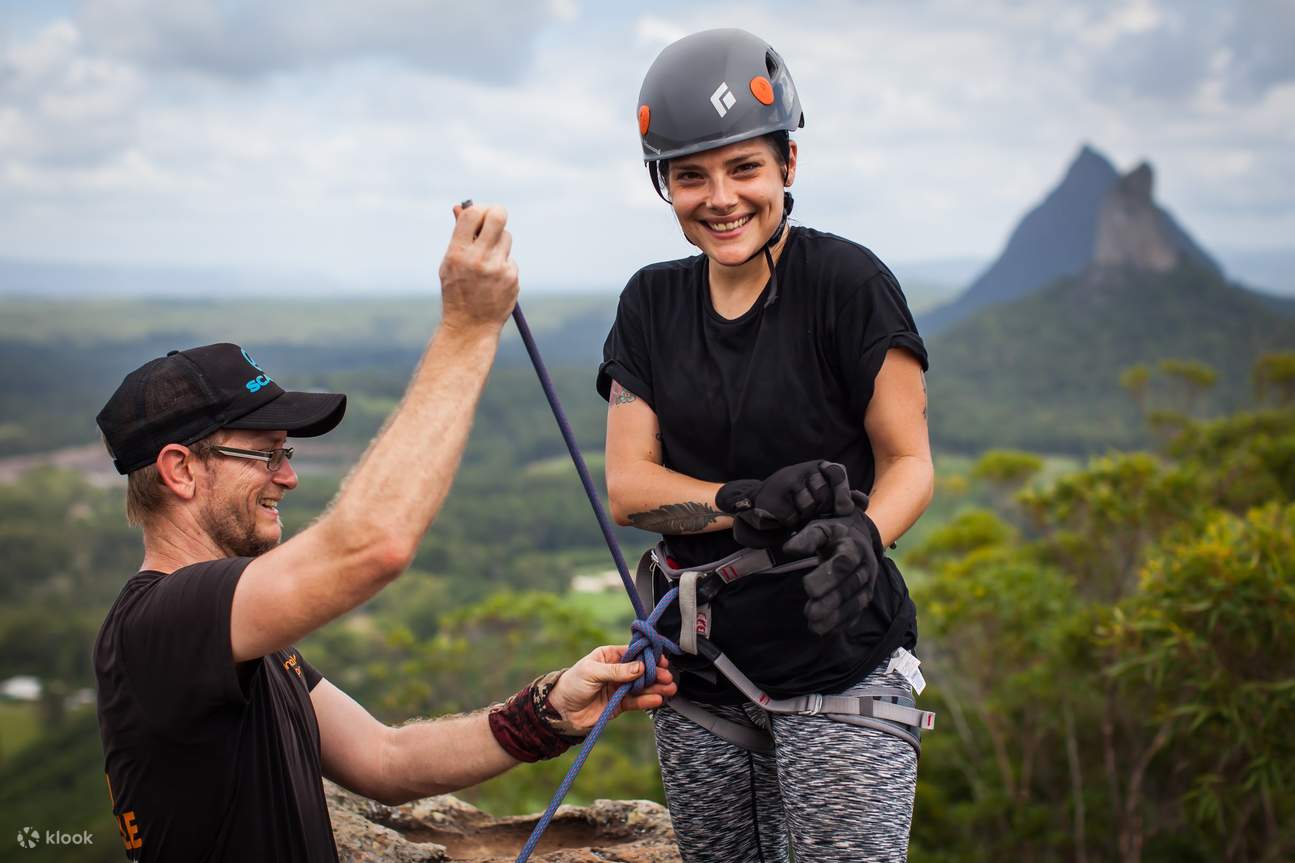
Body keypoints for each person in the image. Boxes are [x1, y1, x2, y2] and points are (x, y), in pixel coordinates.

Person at [92, 202, 676, 862]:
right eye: (266, 453)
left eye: (287, 454)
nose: (287, 478)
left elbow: (384, 757)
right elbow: (371, 545)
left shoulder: (240, 642)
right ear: (180, 469)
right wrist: (468, 326)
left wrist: (547, 713)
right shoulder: (162, 624)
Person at [598, 29, 933, 863]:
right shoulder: (650, 304)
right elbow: (628, 488)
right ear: (662, 184)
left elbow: (908, 462)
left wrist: (865, 532)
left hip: (837, 658)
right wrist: (741, 501)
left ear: (787, 163)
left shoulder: (846, 285)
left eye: (743, 167)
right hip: (700, 672)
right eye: (690, 175)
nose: (720, 197)